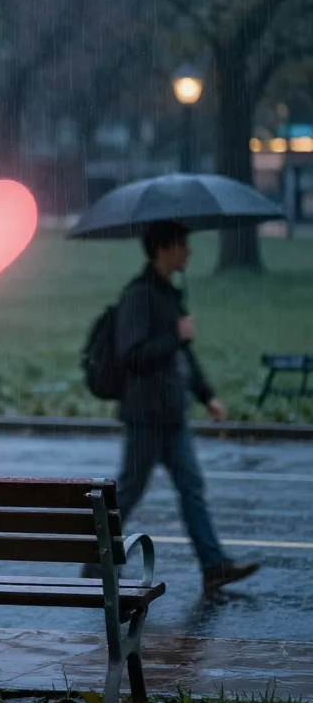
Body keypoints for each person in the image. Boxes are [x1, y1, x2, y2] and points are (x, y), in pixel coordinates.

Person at [107, 220, 259, 593]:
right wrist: (173, 335)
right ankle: (97, 562)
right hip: (146, 416)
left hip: (172, 414)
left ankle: (214, 566)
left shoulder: (169, 294)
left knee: (191, 486)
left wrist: (207, 396)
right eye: (183, 245)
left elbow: (183, 357)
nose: (189, 251)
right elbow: (132, 356)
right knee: (128, 491)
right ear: (163, 249)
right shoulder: (138, 296)